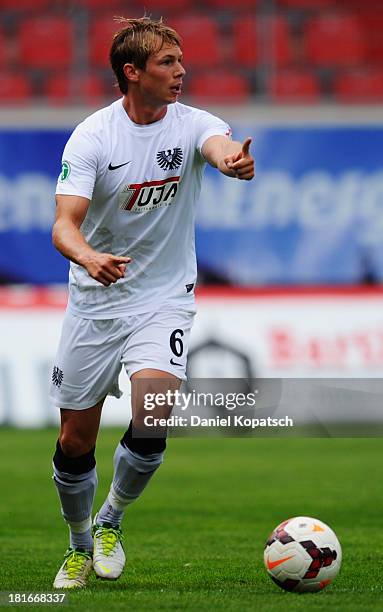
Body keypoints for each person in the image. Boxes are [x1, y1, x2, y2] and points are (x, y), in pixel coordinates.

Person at [50, 16, 255, 589]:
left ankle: (111, 520)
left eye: (181, 60)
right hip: (96, 301)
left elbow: (217, 147)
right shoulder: (93, 137)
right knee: (75, 440)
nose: (181, 71)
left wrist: (230, 162)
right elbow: (64, 226)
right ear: (131, 73)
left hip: (164, 297)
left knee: (155, 407)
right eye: (167, 62)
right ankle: (79, 543)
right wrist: (89, 258)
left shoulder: (194, 124)